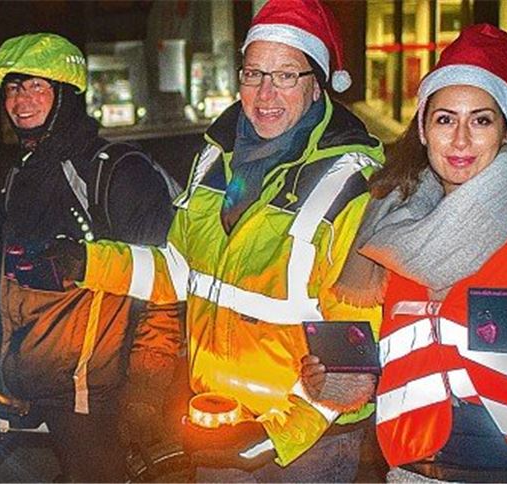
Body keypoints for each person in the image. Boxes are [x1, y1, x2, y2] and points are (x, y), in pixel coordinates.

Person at [56, 0, 386, 480]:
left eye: (286, 75)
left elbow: (353, 351)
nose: (265, 93)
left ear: (318, 86)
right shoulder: (215, 158)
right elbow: (179, 270)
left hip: (309, 443)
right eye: (253, 74)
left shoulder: (350, 185)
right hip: (219, 420)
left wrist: (276, 435)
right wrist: (85, 262)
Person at [326, 24, 507, 482]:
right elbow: (395, 358)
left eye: (481, 120)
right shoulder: (391, 227)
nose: (460, 140)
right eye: (445, 120)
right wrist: (344, 380)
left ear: (505, 132)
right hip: (415, 469)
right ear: (422, 129)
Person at [0, 33, 178, 482]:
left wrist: (147, 388)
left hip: (93, 402)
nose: (20, 100)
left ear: (66, 96)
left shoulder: (116, 171)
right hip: (28, 395)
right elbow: (17, 275)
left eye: (36, 87)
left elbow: (167, 284)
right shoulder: (20, 178)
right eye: (12, 88)